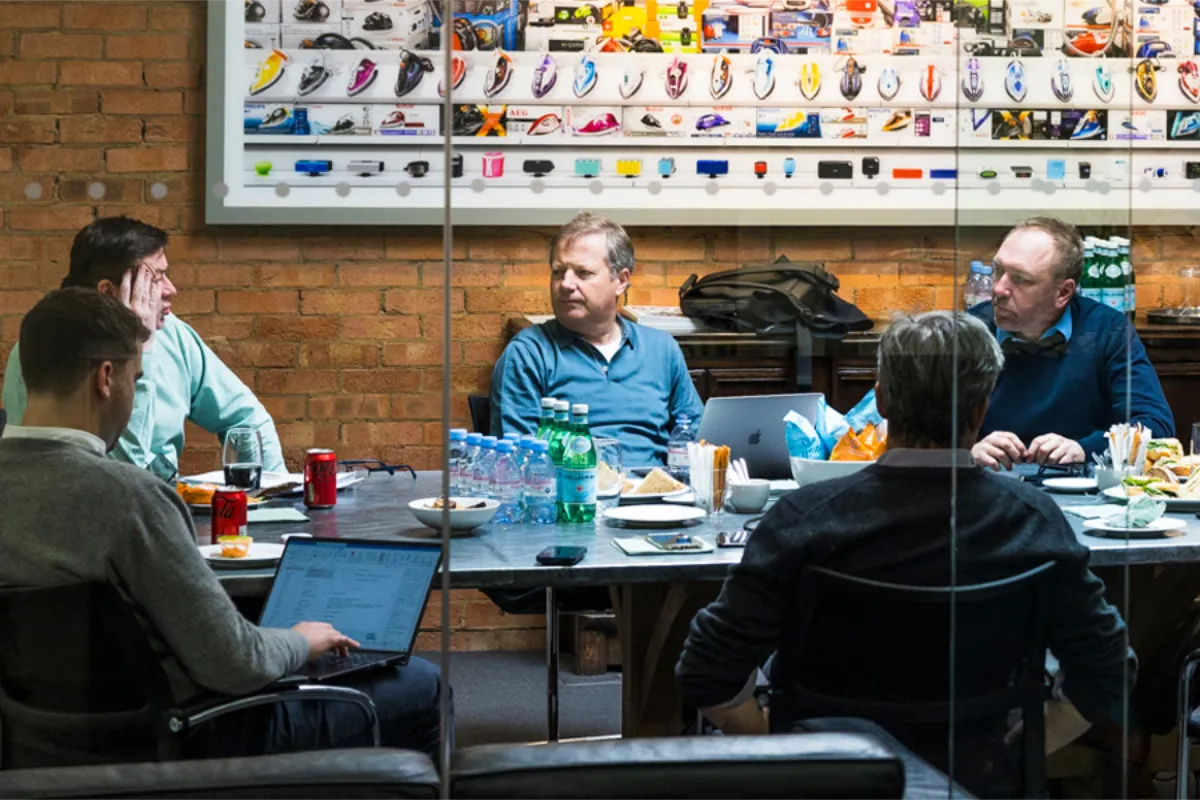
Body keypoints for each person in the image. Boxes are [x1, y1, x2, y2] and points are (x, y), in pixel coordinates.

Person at [675, 311, 1135, 794]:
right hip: (975, 775)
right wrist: (1014, 756)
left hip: (828, 780)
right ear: (982, 407)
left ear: (881, 399)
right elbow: (1109, 671)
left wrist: (789, 753)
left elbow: (706, 672)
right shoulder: (1033, 520)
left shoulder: (803, 517)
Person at [0, 288, 448, 760]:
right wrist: (302, 639)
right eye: (138, 379)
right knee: (421, 684)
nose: (135, 396)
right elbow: (236, 664)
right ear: (106, 378)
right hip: (185, 738)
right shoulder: (133, 502)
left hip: (33, 745)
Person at [2, 216, 285, 481]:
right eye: (156, 278)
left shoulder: (172, 334)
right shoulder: (46, 349)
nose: (171, 290)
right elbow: (121, 476)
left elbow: (247, 420)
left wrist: (273, 497)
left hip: (157, 505)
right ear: (109, 291)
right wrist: (140, 343)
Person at [489, 212, 704, 467]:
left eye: (583, 273)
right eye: (558, 272)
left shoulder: (662, 349)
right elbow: (519, 460)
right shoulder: (528, 353)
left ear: (621, 281)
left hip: (657, 488)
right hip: (573, 489)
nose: (566, 284)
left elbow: (698, 439)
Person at [968, 217, 1172, 470]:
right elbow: (926, 434)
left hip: (1083, 483)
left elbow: (1155, 427)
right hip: (992, 481)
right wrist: (967, 452)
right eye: (998, 270)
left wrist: (1083, 449)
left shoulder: (1107, 330)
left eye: (1021, 279)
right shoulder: (970, 331)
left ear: (1063, 293)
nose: (999, 289)